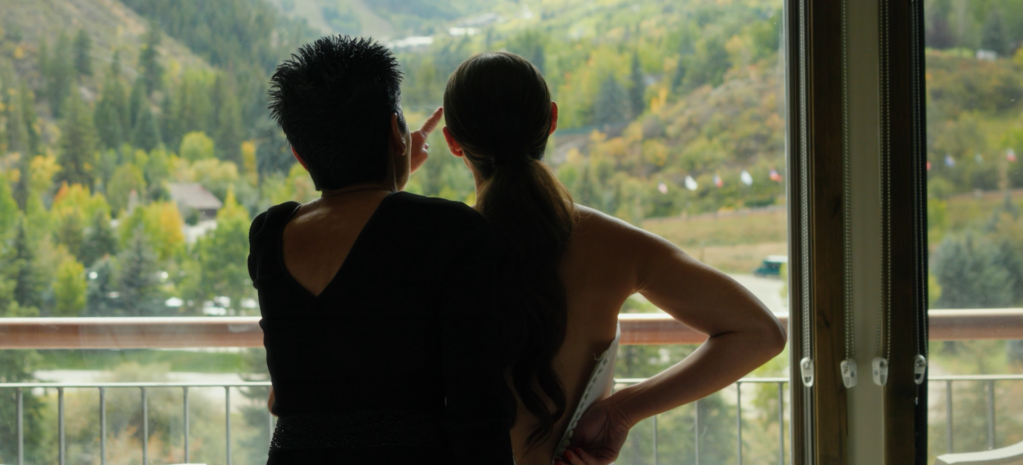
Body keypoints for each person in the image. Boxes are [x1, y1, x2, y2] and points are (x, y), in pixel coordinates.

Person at [441, 52, 788, 465]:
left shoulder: (433, 248)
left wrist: (394, 176)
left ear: (452, 142)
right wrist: (622, 410)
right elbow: (760, 333)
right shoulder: (613, 245)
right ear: (552, 120)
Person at [249, 36, 513, 465]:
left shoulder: (268, 234)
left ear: (299, 154)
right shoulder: (453, 232)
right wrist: (394, 165)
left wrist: (394, 168)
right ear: (395, 130)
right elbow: (477, 410)